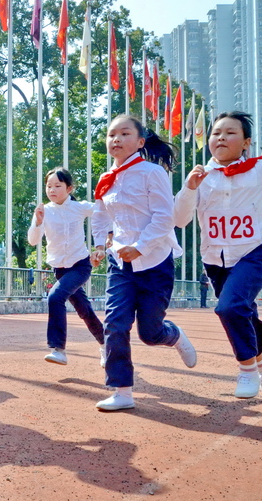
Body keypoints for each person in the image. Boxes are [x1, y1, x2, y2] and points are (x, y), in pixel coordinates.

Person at [174, 110, 262, 399]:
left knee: (228, 308)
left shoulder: (260, 168)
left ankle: (247, 370)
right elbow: (179, 219)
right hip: (215, 258)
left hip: (254, 251)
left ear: (245, 142)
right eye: (216, 133)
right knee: (244, 312)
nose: (221, 138)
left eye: (230, 133)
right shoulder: (201, 177)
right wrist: (189, 188)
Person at [91, 115, 197, 411]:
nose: (116, 139)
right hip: (120, 265)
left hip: (155, 261)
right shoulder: (105, 179)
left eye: (124, 134)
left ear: (139, 142)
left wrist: (139, 247)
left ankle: (173, 335)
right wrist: (100, 244)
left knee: (150, 333)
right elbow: (100, 216)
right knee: (114, 323)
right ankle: (121, 390)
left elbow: (166, 217)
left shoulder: (152, 173)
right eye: (111, 135)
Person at [28, 167, 105, 368]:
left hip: (81, 264)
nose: (51, 190)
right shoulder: (44, 211)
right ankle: (107, 344)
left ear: (69, 188)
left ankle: (58, 349)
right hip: (60, 269)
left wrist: (103, 243)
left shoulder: (80, 207)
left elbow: (104, 212)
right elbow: (33, 241)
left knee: (55, 297)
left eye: (57, 186)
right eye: (48, 186)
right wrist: (37, 222)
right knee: (84, 310)